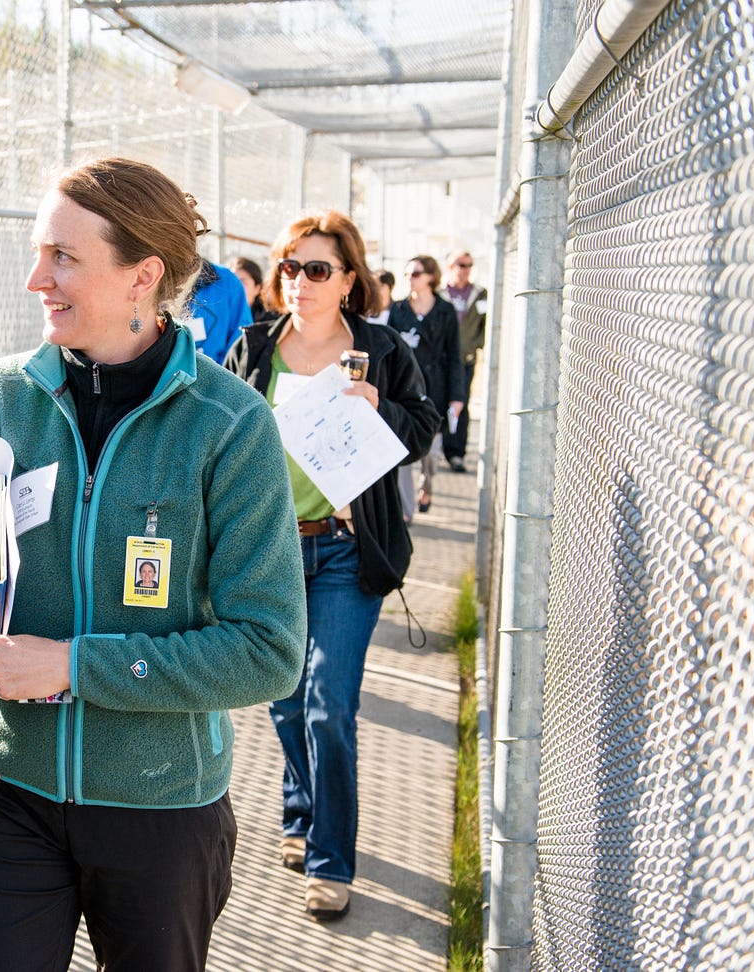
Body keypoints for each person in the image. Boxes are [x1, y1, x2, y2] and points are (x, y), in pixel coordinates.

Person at [0, 157, 306, 972]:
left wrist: (74, 667)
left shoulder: (228, 426)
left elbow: (267, 649)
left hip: (162, 807)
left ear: (143, 277)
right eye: (37, 251)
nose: (36, 278)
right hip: (6, 790)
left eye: (63, 256)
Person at [224, 211, 440, 921]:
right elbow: (218, 436)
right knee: (284, 698)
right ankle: (301, 808)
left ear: (348, 279)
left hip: (348, 549)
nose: (299, 281)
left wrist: (380, 406)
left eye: (317, 269)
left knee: (329, 702)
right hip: (273, 550)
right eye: (290, 266)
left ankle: (330, 857)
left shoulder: (377, 350)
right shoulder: (255, 348)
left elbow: (422, 426)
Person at [388, 255, 464, 513]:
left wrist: (457, 396)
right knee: (403, 452)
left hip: (436, 387)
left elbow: (454, 355)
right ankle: (406, 511)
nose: (410, 278)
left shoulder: (445, 311)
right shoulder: (398, 310)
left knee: (431, 454)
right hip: (404, 387)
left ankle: (427, 487)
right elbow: (388, 352)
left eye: (416, 273)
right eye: (407, 273)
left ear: (431, 277)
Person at [438, 250, 488, 472]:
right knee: (438, 401)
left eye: (468, 265)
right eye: (460, 264)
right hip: (441, 359)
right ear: (450, 267)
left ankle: (456, 453)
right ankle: (433, 448)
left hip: (465, 359)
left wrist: (475, 345)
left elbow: (486, 324)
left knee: (460, 404)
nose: (465, 269)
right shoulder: (440, 294)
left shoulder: (479, 294)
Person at [185, 256, 253, 364]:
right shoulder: (153, 278)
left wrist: (219, 377)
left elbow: (241, 342)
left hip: (216, 376)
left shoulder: (227, 282)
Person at [229, 255, 272, 321]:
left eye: (242, 282)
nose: (235, 288)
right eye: (231, 282)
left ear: (257, 289)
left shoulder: (271, 322)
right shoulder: (215, 316)